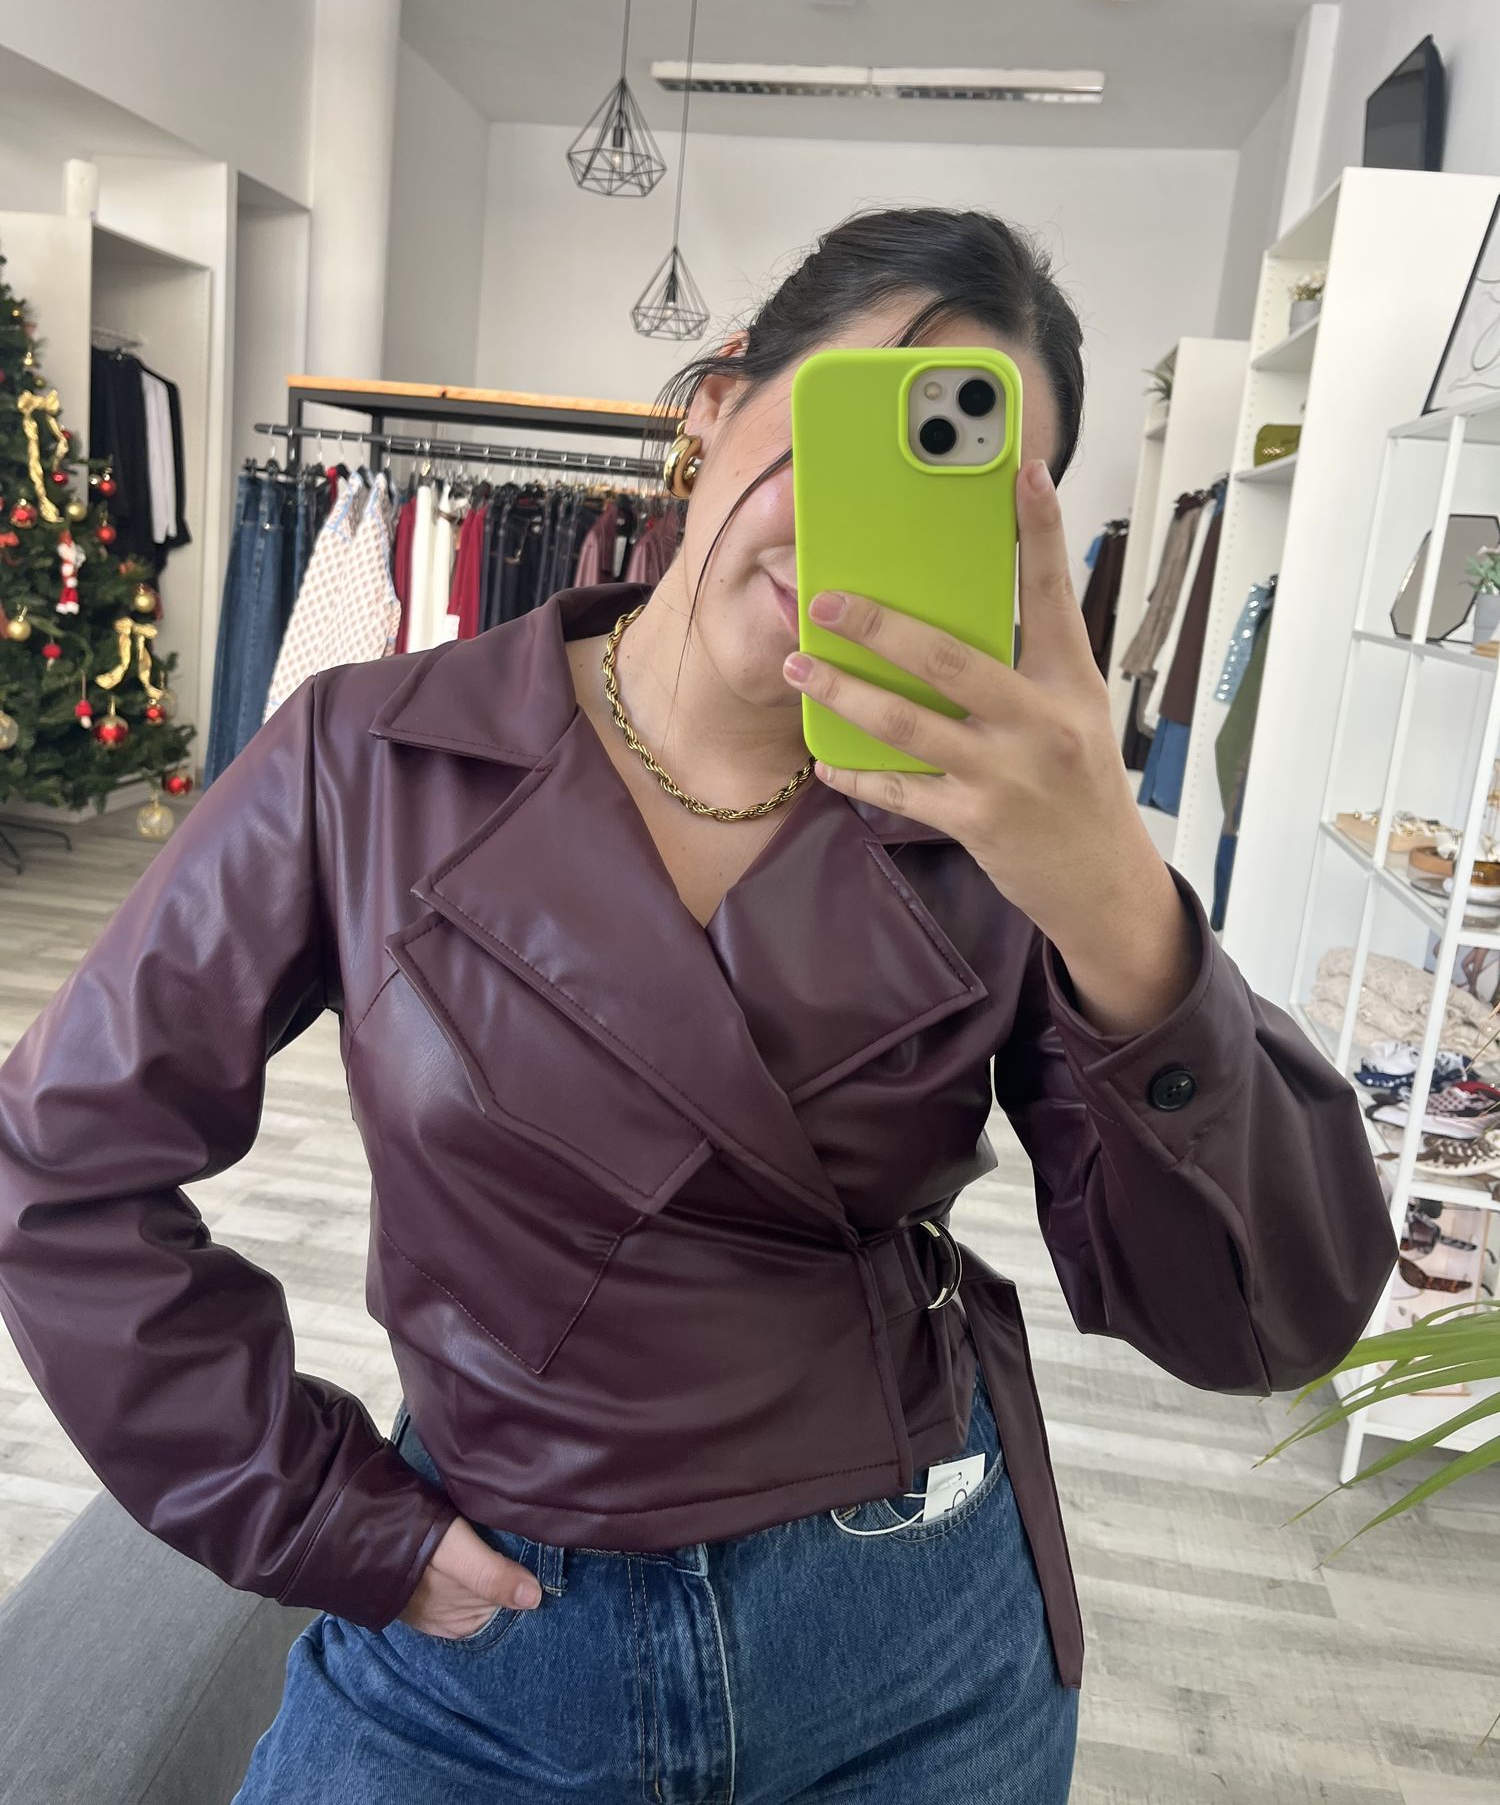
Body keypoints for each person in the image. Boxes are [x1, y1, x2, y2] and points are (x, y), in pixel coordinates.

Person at [0, 207, 1397, 1803]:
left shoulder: (1003, 833)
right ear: (716, 411)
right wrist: (321, 1512)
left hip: (908, 1633)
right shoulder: (367, 758)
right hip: (485, 1627)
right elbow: (58, 1166)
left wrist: (1117, 901)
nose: (857, 524)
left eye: (958, 483)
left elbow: (1263, 1323)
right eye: (851, 439)